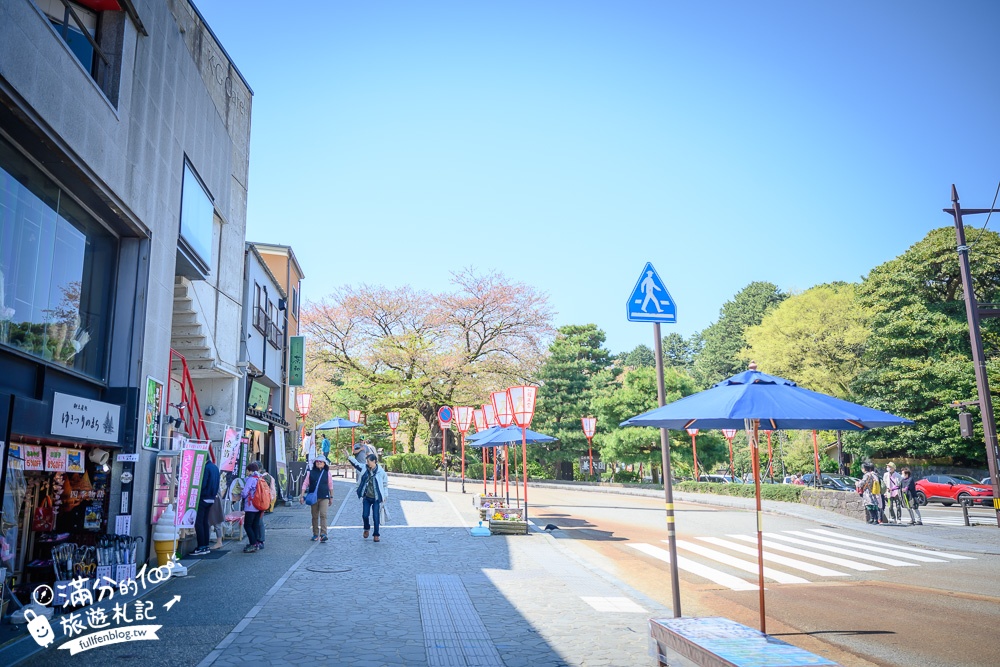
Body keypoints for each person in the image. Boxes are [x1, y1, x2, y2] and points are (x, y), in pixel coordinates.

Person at [349, 452, 388, 542]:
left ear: (374, 461)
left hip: (376, 498)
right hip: (366, 497)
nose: (367, 463)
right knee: (365, 515)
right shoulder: (365, 468)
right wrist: (348, 457)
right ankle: (366, 528)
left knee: (375, 516)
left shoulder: (381, 472)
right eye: (367, 461)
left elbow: (385, 485)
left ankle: (376, 534)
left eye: (369, 461)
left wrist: (385, 495)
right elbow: (356, 464)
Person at [300, 456, 334, 542]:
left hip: (324, 496)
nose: (319, 463)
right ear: (315, 463)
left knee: (323, 514)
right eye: (317, 461)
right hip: (313, 497)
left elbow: (330, 485)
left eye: (321, 461)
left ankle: (323, 534)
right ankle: (315, 534)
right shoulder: (310, 473)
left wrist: (331, 496)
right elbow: (305, 484)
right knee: (314, 516)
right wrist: (302, 495)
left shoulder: (327, 473)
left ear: (324, 463)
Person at [192, 458, 221, 556]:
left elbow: (203, 484)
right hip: (211, 498)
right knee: (205, 522)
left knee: (199, 522)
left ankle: (201, 546)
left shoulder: (205, 468)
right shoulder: (215, 467)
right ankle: (206, 546)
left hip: (203, 497)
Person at [240, 462, 264, 553]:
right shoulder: (260, 478)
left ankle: (253, 544)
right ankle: (256, 543)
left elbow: (245, 493)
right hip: (259, 505)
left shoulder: (251, 479)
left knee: (247, 525)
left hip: (251, 506)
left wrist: (240, 493)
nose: (247, 472)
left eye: (247, 470)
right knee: (255, 525)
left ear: (250, 470)